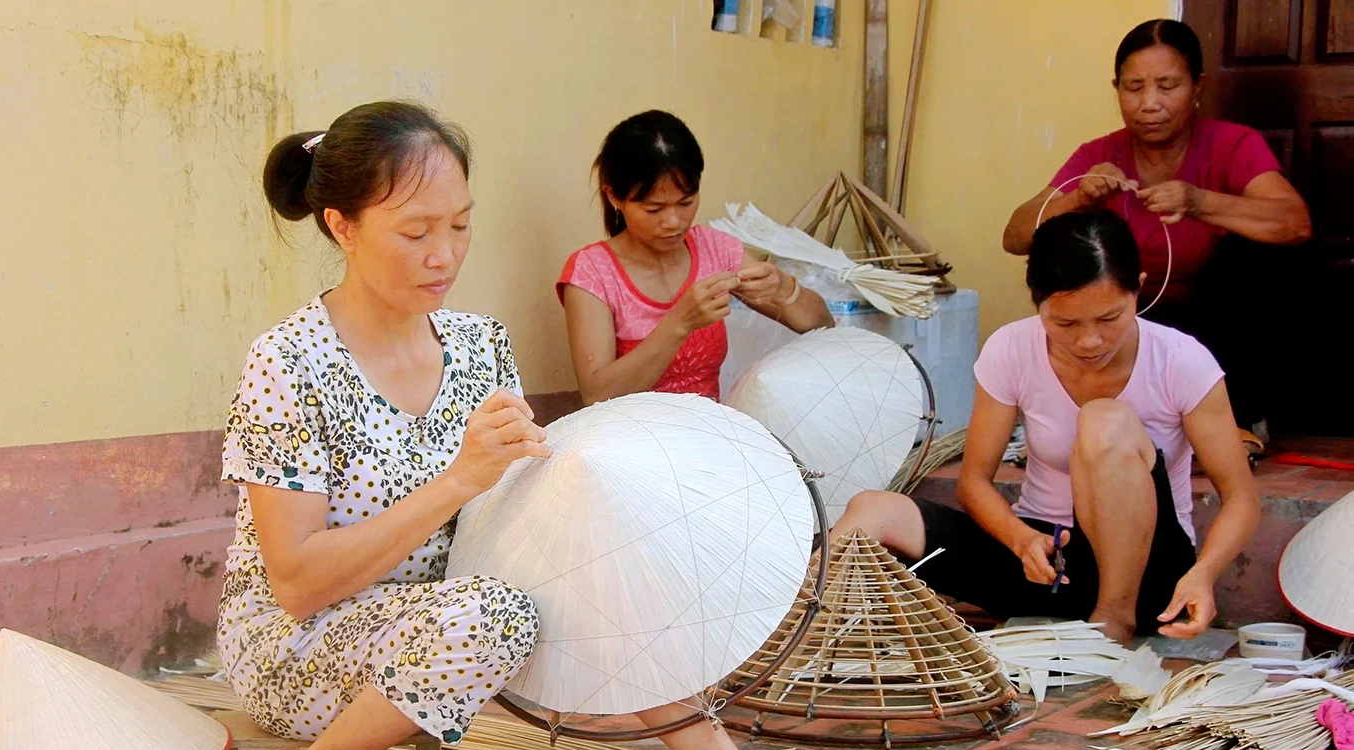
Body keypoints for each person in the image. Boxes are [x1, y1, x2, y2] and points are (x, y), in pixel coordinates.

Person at [218, 100, 862, 750]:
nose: (445, 255)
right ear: (341, 226)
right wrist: (460, 480)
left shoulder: (479, 343)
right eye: (415, 233)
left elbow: (520, 514)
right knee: (495, 615)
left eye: (461, 225)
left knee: (594, 576)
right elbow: (295, 583)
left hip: (441, 619)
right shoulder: (289, 364)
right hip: (299, 646)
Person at [834, 212, 1260, 644]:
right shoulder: (1011, 348)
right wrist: (1021, 539)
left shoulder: (1181, 360)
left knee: (1103, 420)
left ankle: (1113, 621)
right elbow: (974, 482)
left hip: (1149, 581)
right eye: (1065, 324)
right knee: (874, 509)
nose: (1089, 341)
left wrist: (1204, 573)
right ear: (1036, 302)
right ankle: (802, 621)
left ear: (1139, 288)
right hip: (1045, 565)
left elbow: (1241, 498)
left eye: (1109, 318)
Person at [1001, 18, 1310, 459]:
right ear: (1117, 90)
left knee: (1250, 260)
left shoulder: (1232, 144)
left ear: (1197, 85)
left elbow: (1294, 222)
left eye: (1167, 86)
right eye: (1134, 87)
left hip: (1214, 319)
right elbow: (1015, 236)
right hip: (1131, 318)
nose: (1150, 104)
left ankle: (1238, 420)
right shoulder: (1099, 154)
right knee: (1071, 256)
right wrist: (1078, 198)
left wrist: (1200, 202)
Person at [559, 110, 834, 404]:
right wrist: (678, 324)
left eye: (686, 202)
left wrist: (784, 289)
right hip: (630, 432)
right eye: (654, 209)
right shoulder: (592, 273)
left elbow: (822, 325)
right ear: (614, 197)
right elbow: (597, 395)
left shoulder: (714, 250)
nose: (674, 221)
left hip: (710, 428)